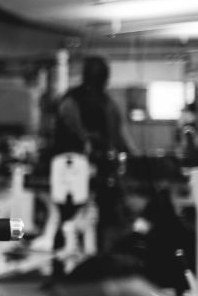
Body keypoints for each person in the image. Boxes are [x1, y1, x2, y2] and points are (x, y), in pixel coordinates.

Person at [52, 55, 140, 253]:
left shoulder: (103, 102)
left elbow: (118, 136)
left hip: (95, 170)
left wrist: (133, 156)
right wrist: (91, 141)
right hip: (74, 170)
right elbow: (80, 131)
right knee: (73, 218)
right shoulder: (74, 101)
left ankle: (94, 255)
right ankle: (71, 256)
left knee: (95, 218)